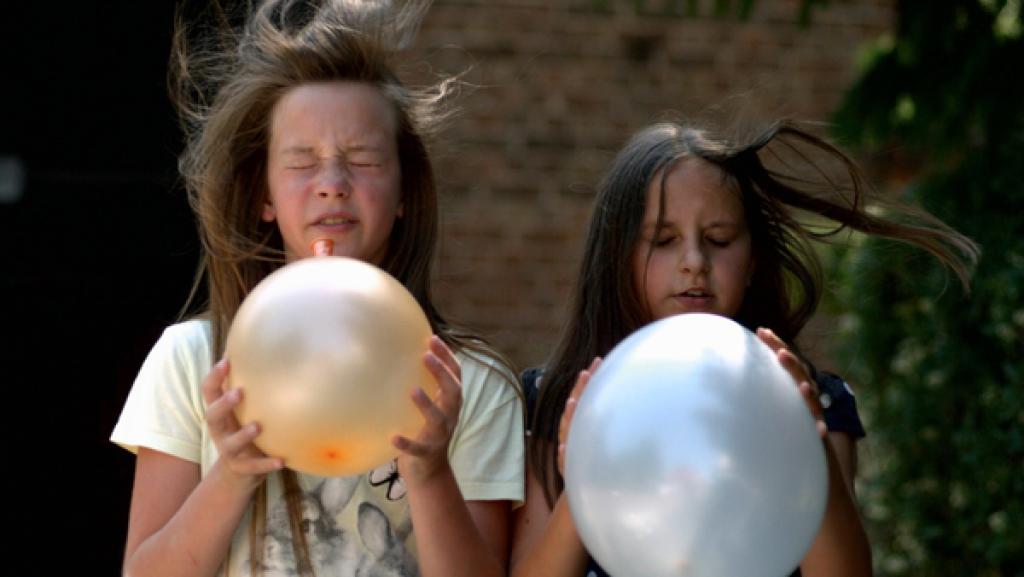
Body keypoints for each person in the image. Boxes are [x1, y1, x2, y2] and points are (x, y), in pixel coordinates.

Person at [110, 2, 523, 576]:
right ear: (265, 197)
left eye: (362, 159)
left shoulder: (466, 384)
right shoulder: (191, 362)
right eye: (302, 162)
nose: (332, 184)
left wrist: (428, 471)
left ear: (405, 191)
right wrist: (229, 474)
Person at [509, 121, 978, 577]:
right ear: (618, 256)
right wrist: (584, 478)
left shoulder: (812, 400)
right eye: (664, 241)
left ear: (752, 261)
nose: (694, 262)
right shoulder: (555, 402)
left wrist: (803, 444)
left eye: (718, 240)